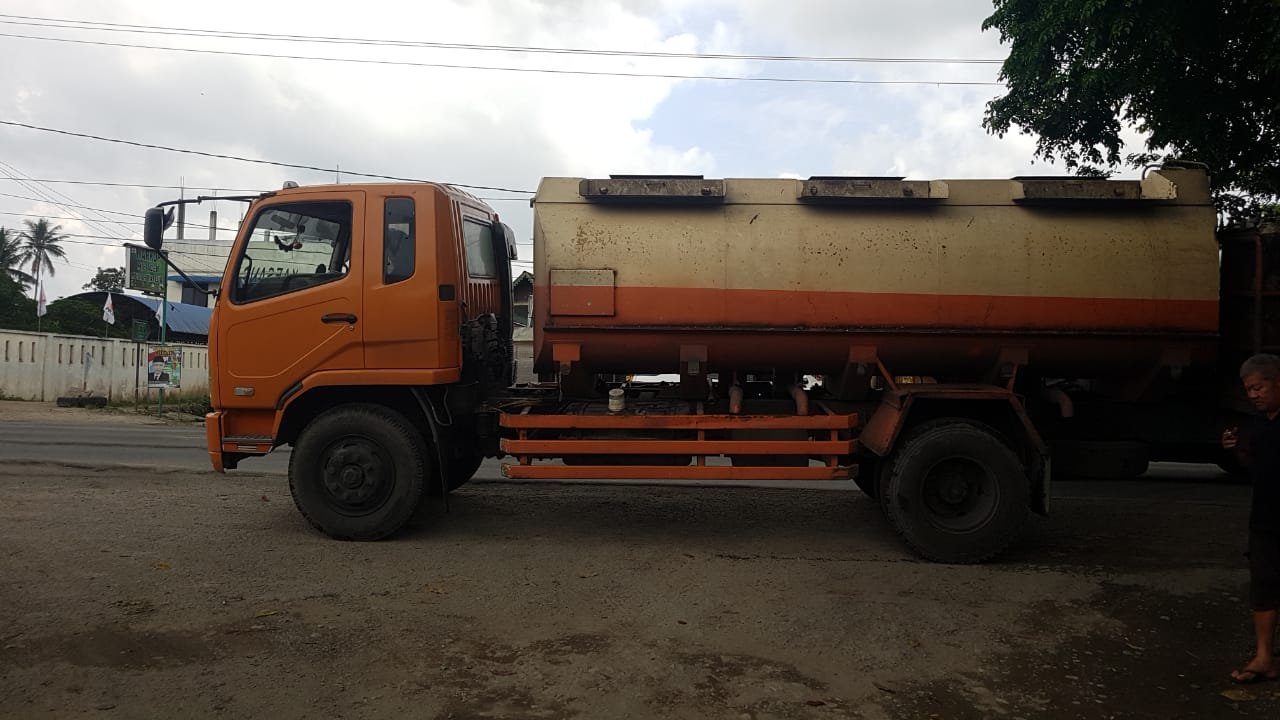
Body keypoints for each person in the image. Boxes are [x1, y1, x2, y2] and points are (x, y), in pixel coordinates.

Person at [1223, 353, 1280, 684]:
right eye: (1249, 390)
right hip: (1265, 520)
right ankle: (1264, 658)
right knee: (1263, 585)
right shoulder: (1256, 427)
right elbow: (1256, 470)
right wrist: (1235, 450)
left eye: (1259, 387)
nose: (1254, 395)